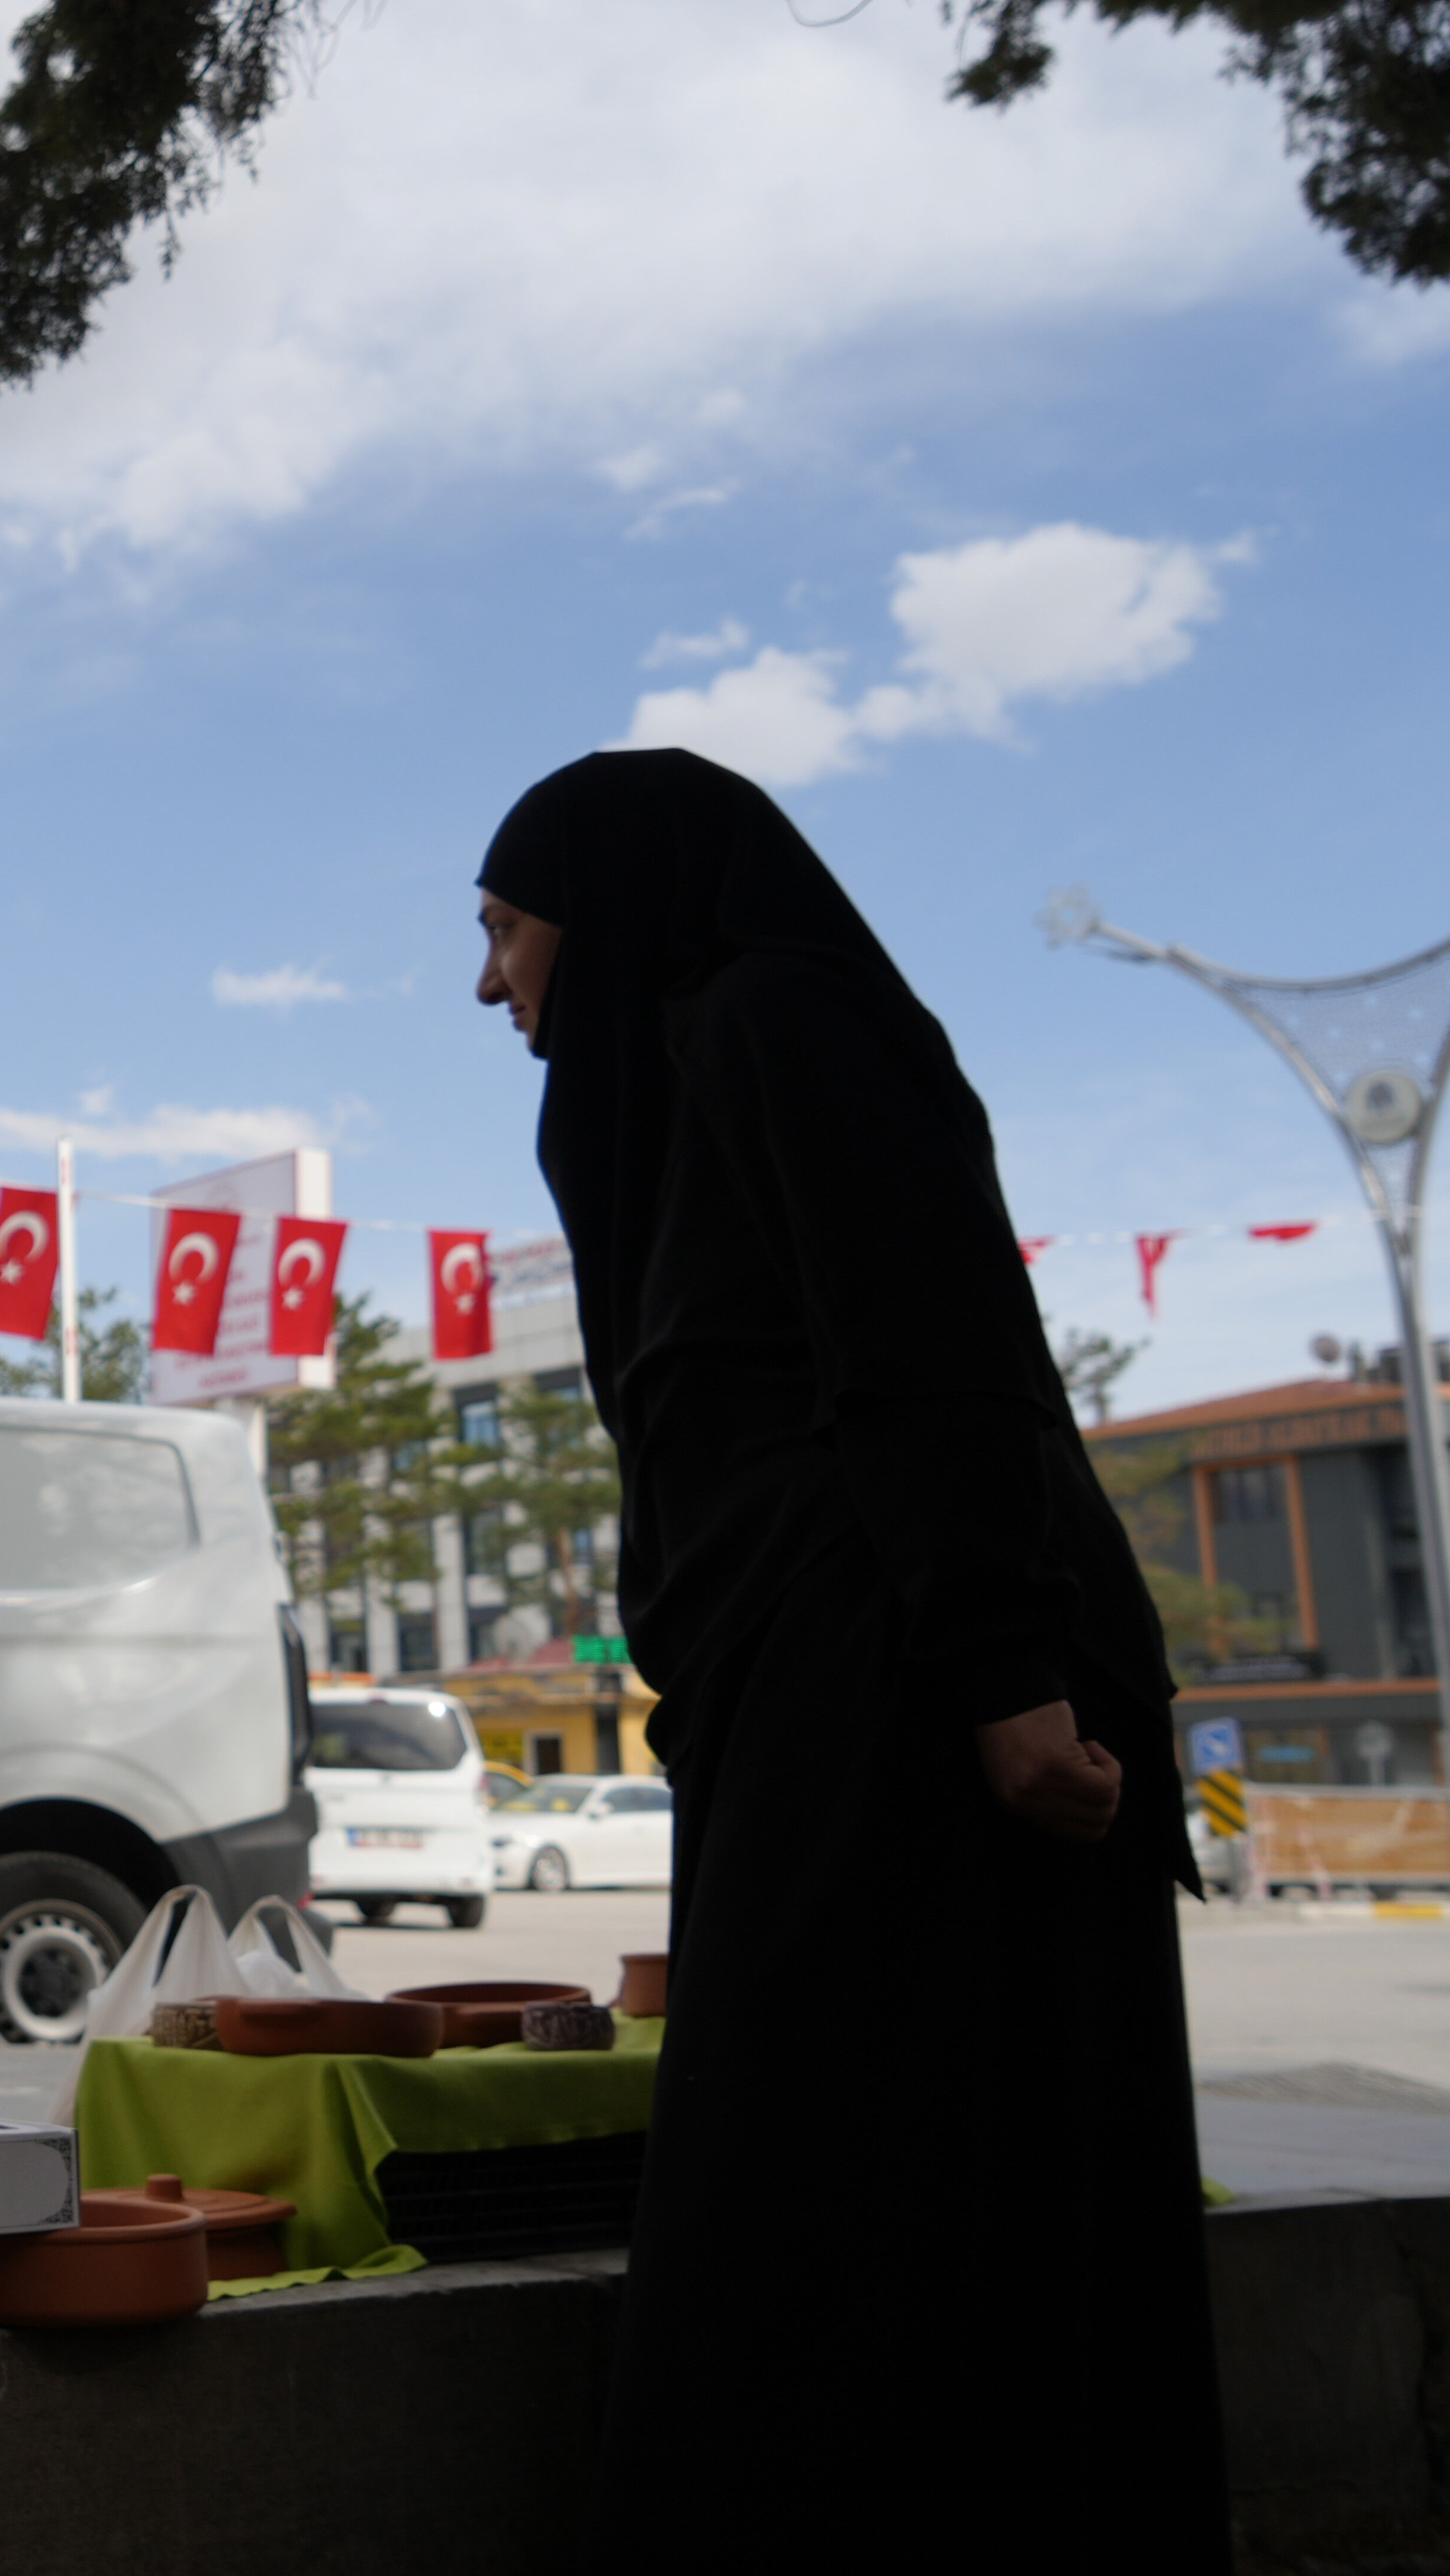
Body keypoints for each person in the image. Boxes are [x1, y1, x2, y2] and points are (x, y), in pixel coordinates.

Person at [474, 750, 1224, 2571]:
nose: (489, 976)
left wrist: (1002, 1676)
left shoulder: (775, 1018)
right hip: (828, 1674)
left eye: (502, 923)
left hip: (932, 1679)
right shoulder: (669, 1070)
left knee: (881, 2175)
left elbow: (931, 1340)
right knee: (839, 2174)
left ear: (608, 891)